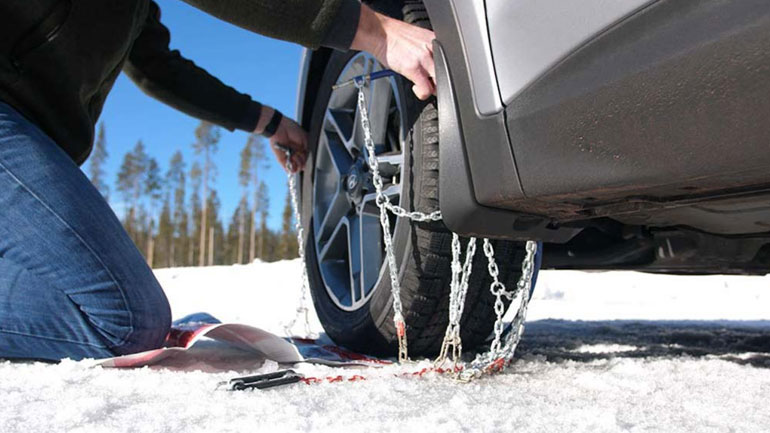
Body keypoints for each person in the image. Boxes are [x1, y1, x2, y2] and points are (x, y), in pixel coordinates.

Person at [0, 0, 436, 361]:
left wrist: (267, 122)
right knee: (123, 322)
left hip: (34, 139)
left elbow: (159, 69)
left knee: (117, 316)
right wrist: (377, 32)